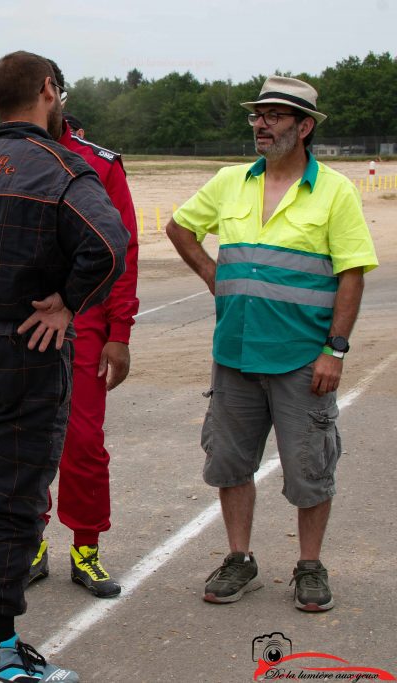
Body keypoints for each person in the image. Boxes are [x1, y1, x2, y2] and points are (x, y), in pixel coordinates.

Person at [0, 51, 128, 682]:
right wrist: (69, 303)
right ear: (48, 91)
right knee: (14, 504)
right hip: (25, 351)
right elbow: (109, 244)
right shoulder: (62, 168)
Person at [165, 76, 378, 612]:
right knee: (229, 463)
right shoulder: (230, 182)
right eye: (258, 114)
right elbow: (180, 228)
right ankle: (241, 560)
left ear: (304, 127)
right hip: (234, 352)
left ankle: (309, 565)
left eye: (276, 115)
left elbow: (351, 273)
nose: (262, 123)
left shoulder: (334, 191)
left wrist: (335, 349)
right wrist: (215, 278)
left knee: (310, 467)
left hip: (301, 357)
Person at [27, 60, 140, 599]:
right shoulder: (1, 161)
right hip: (19, 323)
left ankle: (86, 550)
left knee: (84, 443)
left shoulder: (99, 164)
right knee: (20, 442)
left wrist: (120, 330)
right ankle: (30, 546)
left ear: (55, 96)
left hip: (87, 325)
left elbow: (123, 250)